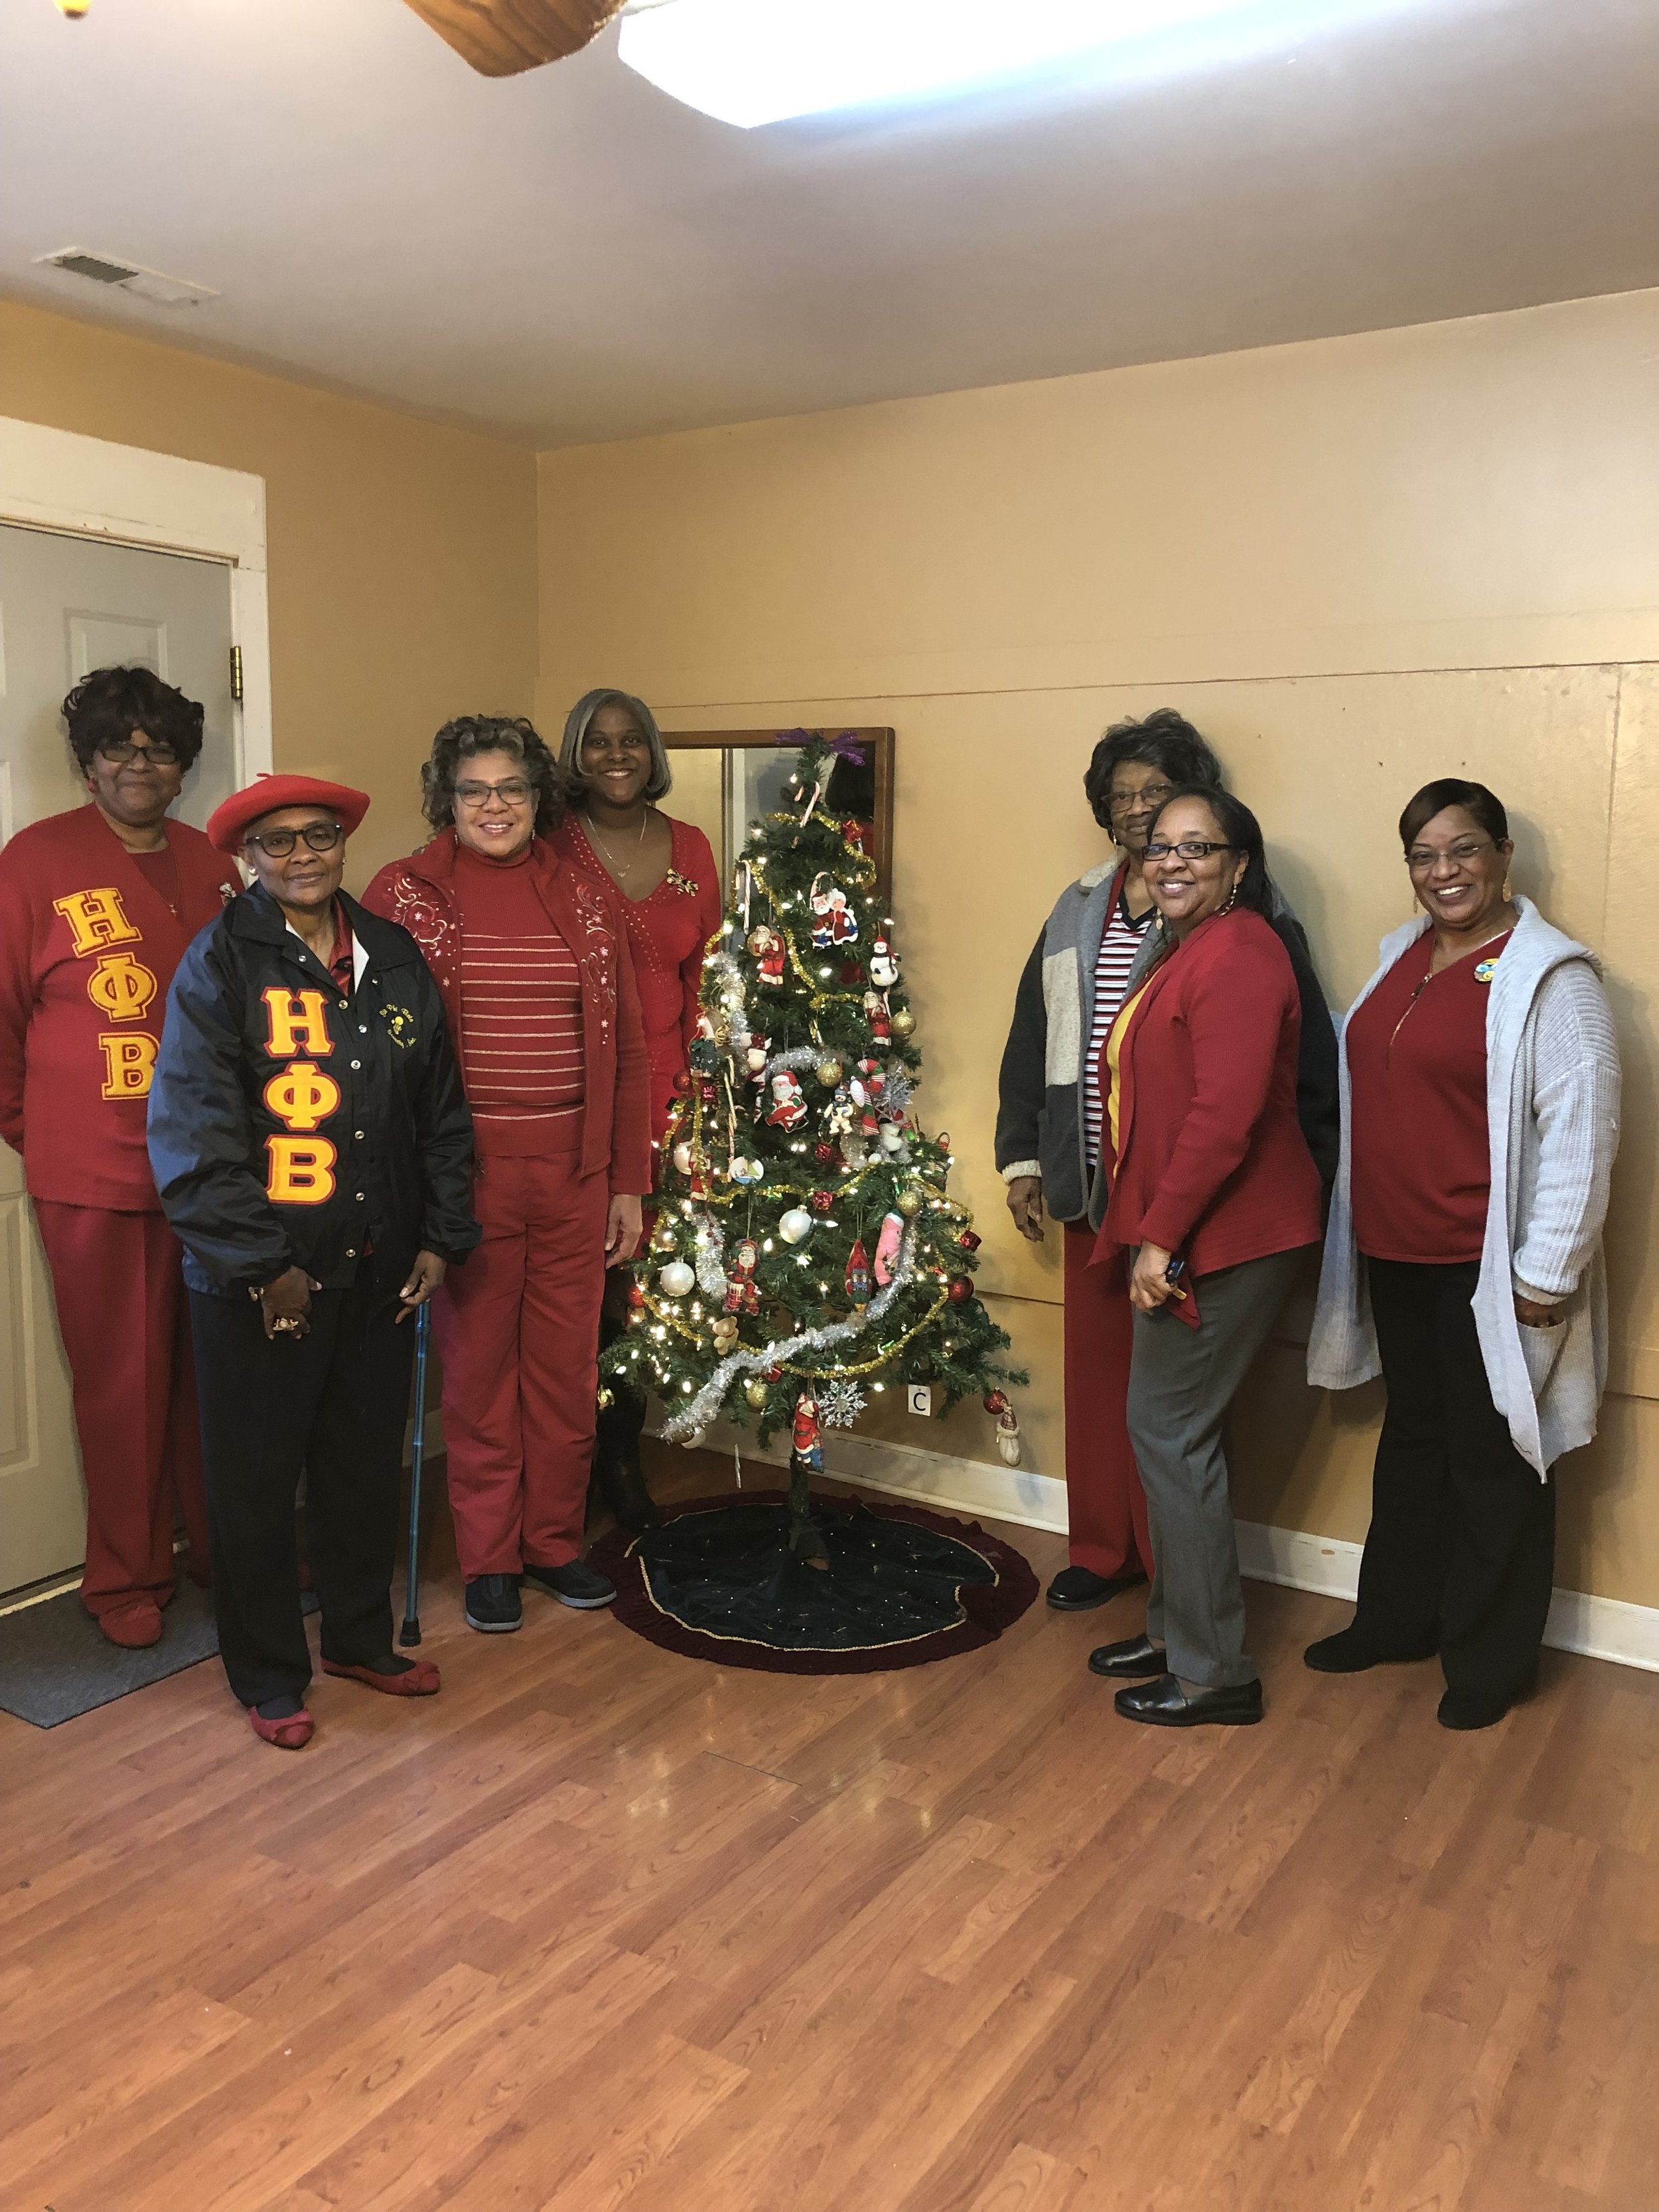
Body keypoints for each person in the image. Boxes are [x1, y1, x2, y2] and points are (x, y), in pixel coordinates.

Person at [147, 774, 478, 1749]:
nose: (301, 856)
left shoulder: (395, 955)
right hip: (264, 1281)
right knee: (254, 1483)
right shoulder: (219, 966)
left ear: (343, 844)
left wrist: (439, 1235)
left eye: (318, 837)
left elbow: (441, 1114)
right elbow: (193, 1135)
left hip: (381, 1265)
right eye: (278, 842)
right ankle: (266, 1671)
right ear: (250, 859)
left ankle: (359, 1640)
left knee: (361, 1468)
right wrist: (260, 1264)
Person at [995, 708, 1336, 1614]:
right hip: (1091, 1181)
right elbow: (1033, 1035)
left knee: (1171, 1411)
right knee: (1108, 1383)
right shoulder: (1077, 907)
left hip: (1191, 1197)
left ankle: (1167, 1576)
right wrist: (1021, 1152)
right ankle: (1105, 1550)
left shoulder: (1239, 923)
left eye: (1159, 796)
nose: (1142, 816)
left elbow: (1277, 1082)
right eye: (1124, 799)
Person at [1306, 780, 1621, 1730]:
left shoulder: (1551, 979)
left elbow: (1585, 1133)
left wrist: (1545, 1277)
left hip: (1490, 1274)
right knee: (1414, 1445)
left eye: (1464, 850)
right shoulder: (1401, 959)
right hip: (1395, 1255)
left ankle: (1491, 1660)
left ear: (1502, 855)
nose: (1444, 871)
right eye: (1424, 855)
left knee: (1497, 1461)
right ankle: (1398, 1619)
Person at [362, 715, 652, 1634]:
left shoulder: (586, 892)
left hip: (574, 1175)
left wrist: (627, 1181)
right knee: (480, 1374)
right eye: (475, 791)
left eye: (513, 790)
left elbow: (632, 1047)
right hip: (467, 1181)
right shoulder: (404, 896)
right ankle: (489, 1557)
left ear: (540, 798)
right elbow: (373, 1051)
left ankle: (553, 1544)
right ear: (447, 798)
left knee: (565, 1373)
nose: (496, 807)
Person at [0, 667, 240, 1647]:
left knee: (222, 1376)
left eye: (161, 747)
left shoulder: (219, 859)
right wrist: (39, 1126)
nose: (141, 763)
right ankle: (125, 1576)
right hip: (95, 1179)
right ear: (89, 762)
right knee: (121, 1387)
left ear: (184, 765)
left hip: (223, 1172)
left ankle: (226, 1548)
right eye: (119, 746)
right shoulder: (33, 860)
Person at [1086, 788, 1323, 1727]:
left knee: (1171, 1435)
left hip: (1229, 1234)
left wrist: (1161, 1236)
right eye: (1159, 847)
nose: (1172, 861)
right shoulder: (1191, 949)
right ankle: (1179, 1627)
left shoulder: (1241, 953)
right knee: (1174, 1436)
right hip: (1202, 1227)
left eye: (1198, 847)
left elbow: (1223, 1121)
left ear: (1238, 867)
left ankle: (1216, 1670)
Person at [553, 687, 722, 1530]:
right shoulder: (550, 847)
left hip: (671, 1099)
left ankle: (620, 1458)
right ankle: (564, 1465)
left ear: (651, 753)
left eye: (630, 741)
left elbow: (708, 981)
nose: (616, 756)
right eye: (596, 742)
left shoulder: (690, 845)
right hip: (576, 1096)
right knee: (581, 1296)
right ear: (574, 756)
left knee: (643, 1297)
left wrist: (702, 1095)